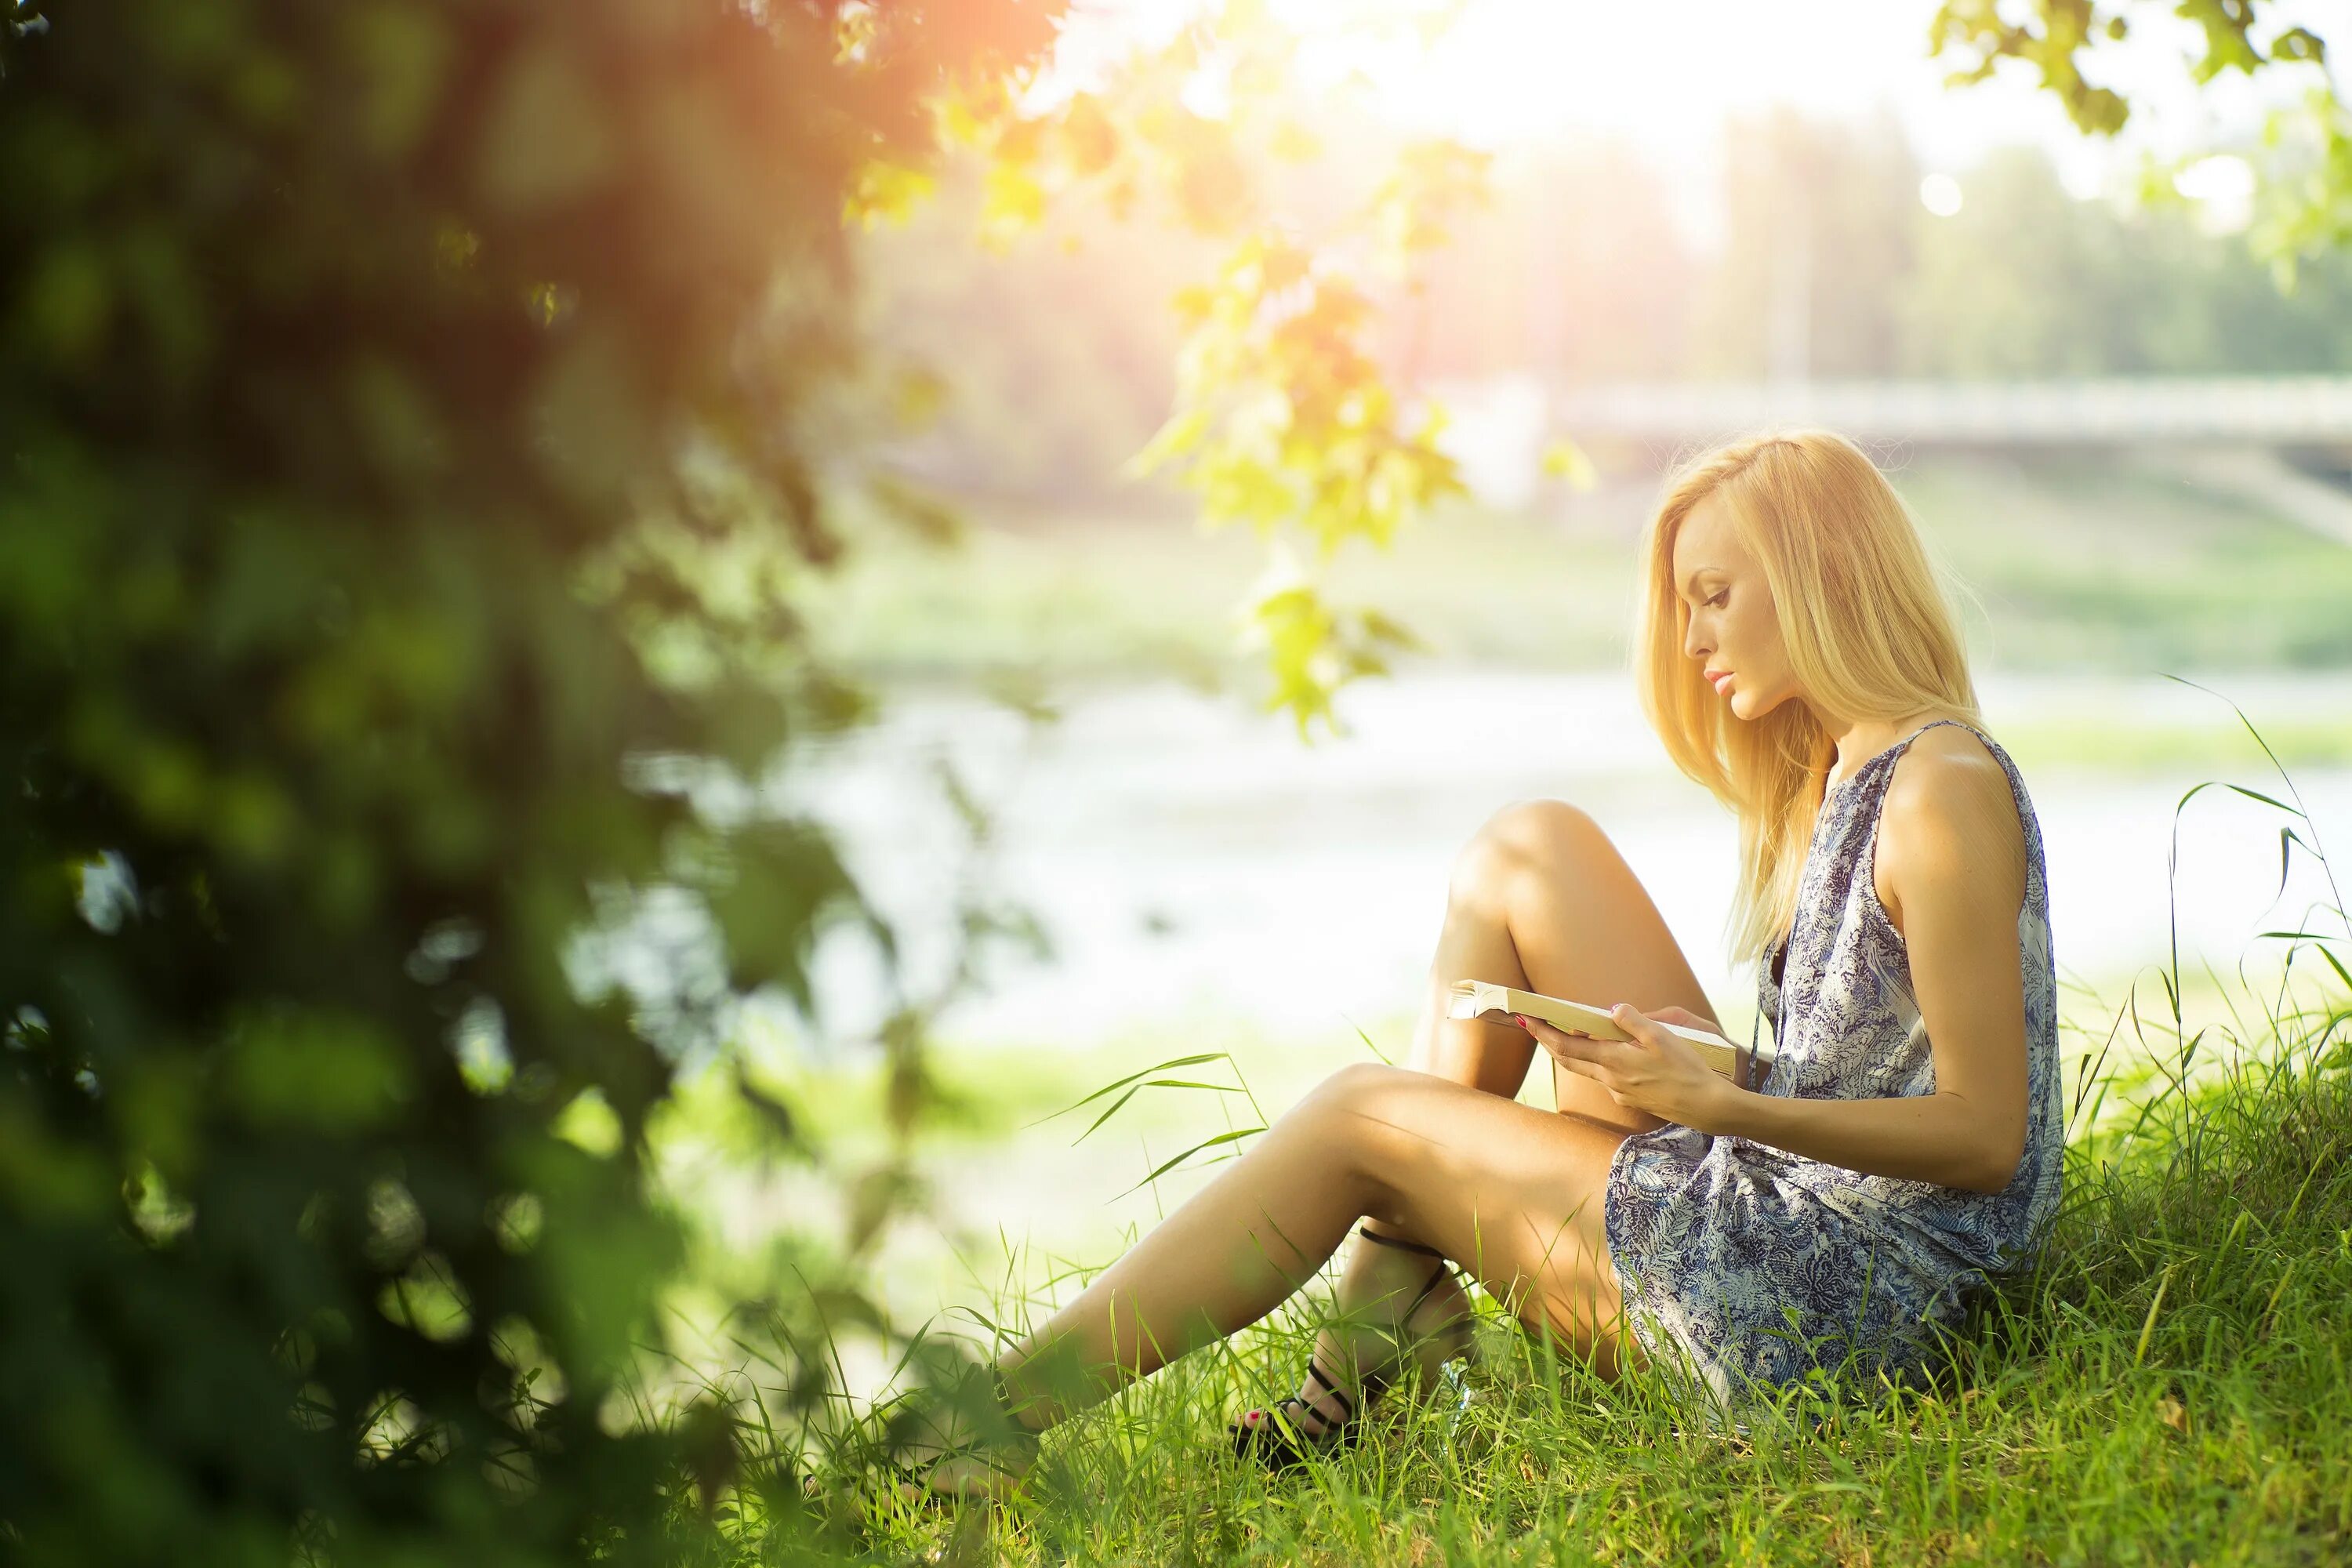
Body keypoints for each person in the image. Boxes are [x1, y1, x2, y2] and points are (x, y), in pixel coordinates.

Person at [901, 428, 2063, 1498]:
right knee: (1527, 850)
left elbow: (1982, 1134)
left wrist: (1717, 1099)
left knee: (1369, 1119)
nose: (1695, 638)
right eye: (1684, 606)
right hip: (1805, 1223)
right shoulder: (1845, 772)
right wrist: (1715, 1078)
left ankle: (982, 1429)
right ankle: (1386, 1307)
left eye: (1716, 597)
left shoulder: (1938, 789)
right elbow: (1868, 1080)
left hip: (1856, 1309)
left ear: (1822, 577)